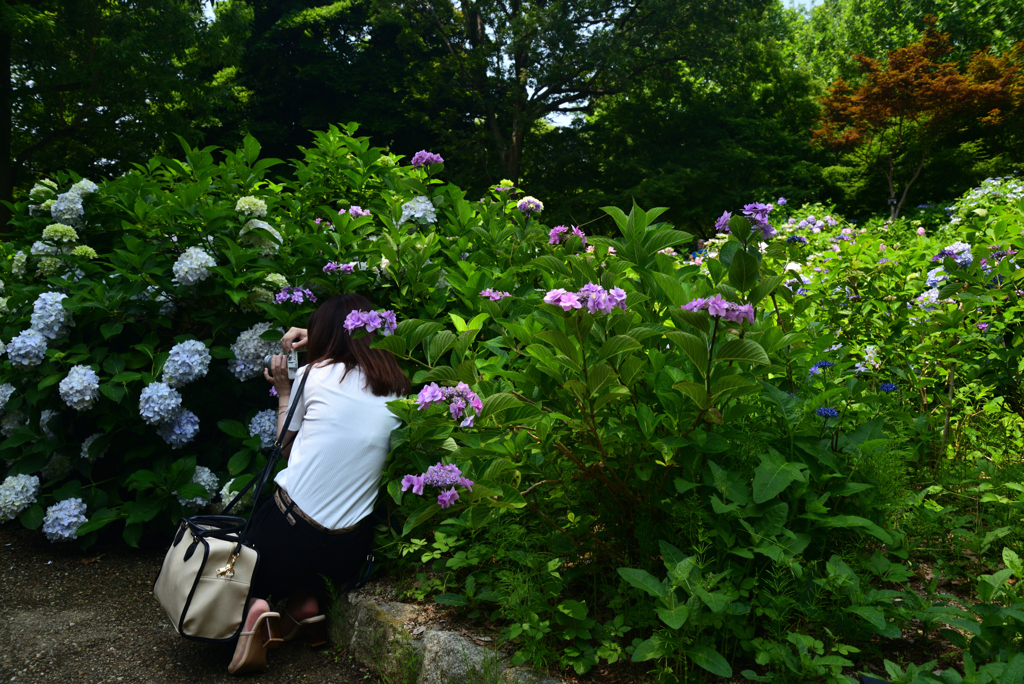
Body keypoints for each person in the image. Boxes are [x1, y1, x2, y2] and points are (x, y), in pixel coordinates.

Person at [228, 293, 411, 674]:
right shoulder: (398, 387)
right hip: (346, 554)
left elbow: (285, 450)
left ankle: (256, 605)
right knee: (321, 549)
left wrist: (282, 392)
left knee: (255, 556)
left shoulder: (313, 374)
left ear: (327, 334)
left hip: (287, 536)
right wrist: (326, 336)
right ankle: (305, 606)